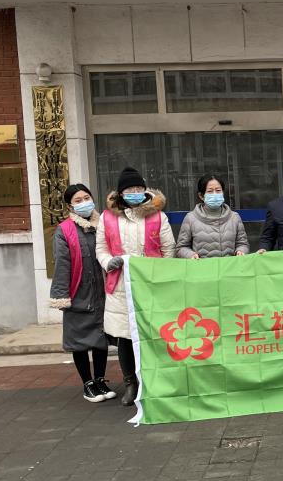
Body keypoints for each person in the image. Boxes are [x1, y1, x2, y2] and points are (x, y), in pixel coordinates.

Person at [96, 166, 174, 407]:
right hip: (121, 285)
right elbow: (101, 248)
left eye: (139, 188)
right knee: (126, 337)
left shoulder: (157, 216)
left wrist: (160, 273)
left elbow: (168, 248)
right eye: (130, 189)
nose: (135, 193)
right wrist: (109, 262)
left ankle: (154, 380)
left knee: (153, 334)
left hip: (151, 284)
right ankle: (131, 383)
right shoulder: (107, 217)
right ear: (121, 193)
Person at [49, 183, 115, 404]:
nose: (84, 203)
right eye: (78, 200)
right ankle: (87, 383)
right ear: (70, 205)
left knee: (100, 339)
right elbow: (62, 264)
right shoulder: (64, 230)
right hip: (78, 291)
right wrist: (61, 295)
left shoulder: (103, 224)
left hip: (102, 291)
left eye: (86, 198)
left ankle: (100, 379)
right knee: (79, 340)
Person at [177, 174, 249, 259]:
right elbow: (181, 248)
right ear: (201, 196)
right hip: (202, 266)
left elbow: (243, 244)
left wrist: (241, 251)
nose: (215, 194)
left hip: (229, 266)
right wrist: (190, 254)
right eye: (210, 191)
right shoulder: (191, 218)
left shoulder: (234, 217)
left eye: (218, 190)